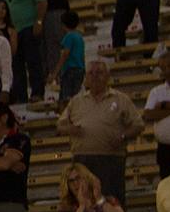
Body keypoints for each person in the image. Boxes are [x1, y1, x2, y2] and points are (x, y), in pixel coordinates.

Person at [57, 62, 142, 201]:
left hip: (111, 158)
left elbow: (138, 125)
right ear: (86, 78)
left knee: (112, 200)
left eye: (99, 73)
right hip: (82, 160)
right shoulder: (76, 101)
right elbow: (60, 126)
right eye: (91, 73)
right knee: (83, 201)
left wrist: (122, 136)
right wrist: (70, 129)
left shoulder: (121, 99)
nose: (95, 76)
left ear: (108, 76)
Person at [0, 0, 48, 103]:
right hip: (13, 32)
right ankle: (21, 96)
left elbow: (42, 1)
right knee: (16, 65)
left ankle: (37, 92)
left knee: (33, 61)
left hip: (28, 27)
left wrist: (38, 21)